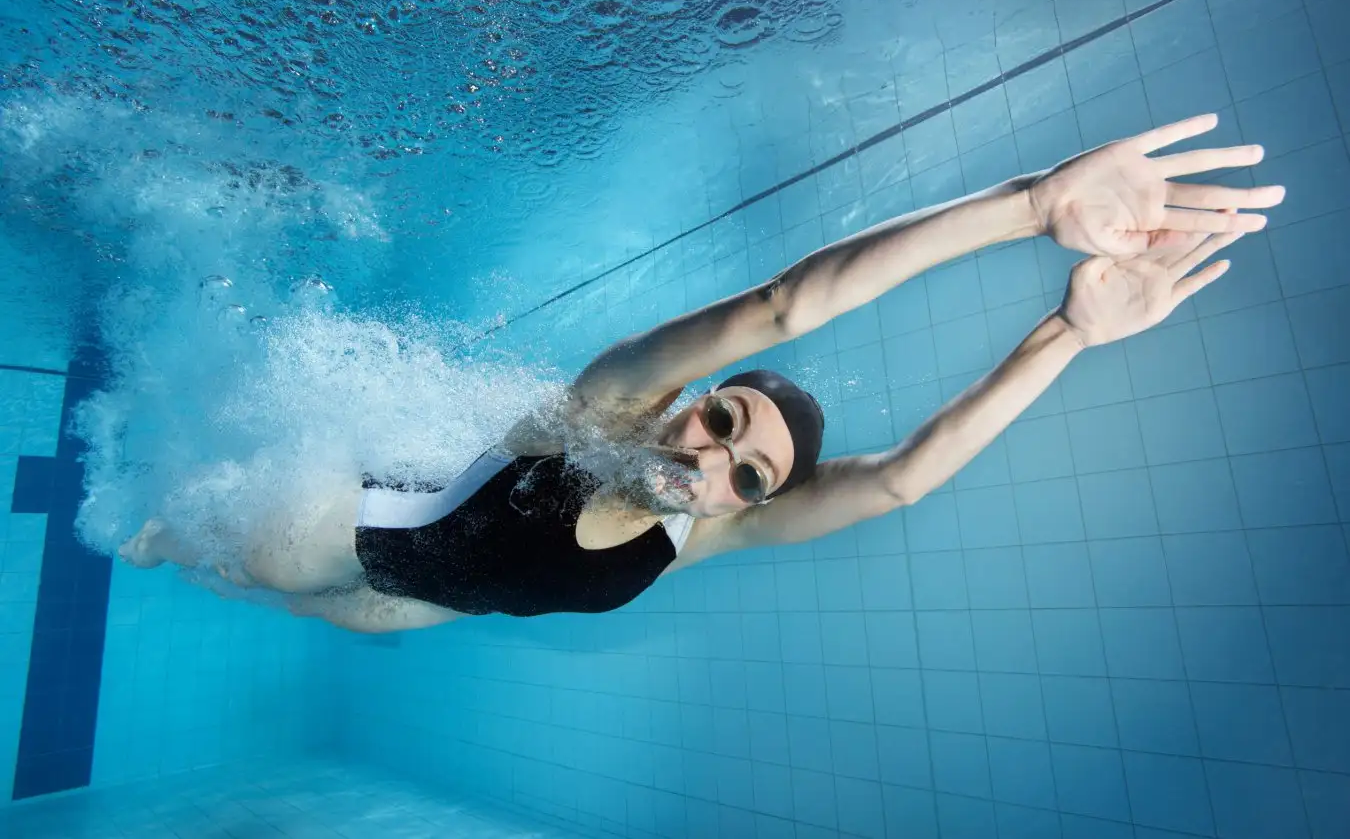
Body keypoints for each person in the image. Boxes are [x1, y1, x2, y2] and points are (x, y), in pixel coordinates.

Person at [118, 113, 1285, 632]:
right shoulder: (594, 415)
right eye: (725, 421)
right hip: (333, 526)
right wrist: (1028, 208)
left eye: (750, 476)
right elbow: (785, 305)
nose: (714, 462)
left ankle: (197, 562)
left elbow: (900, 481)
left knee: (347, 624)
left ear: (751, 509)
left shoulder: (705, 530)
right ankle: (175, 533)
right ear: (686, 401)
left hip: (413, 604)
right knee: (254, 557)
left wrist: (1068, 333)